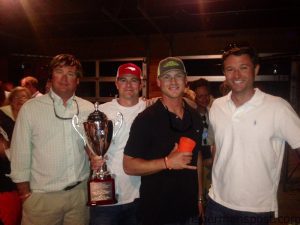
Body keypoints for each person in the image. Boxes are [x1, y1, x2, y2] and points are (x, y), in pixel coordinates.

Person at [205, 45, 300, 225]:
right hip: (217, 201)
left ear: (255, 69)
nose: (237, 75)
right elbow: (217, 145)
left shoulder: (277, 107)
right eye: (230, 69)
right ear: (224, 72)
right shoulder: (217, 106)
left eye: (243, 67)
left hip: (255, 208)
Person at [10, 54, 94, 225]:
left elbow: (91, 147)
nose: (64, 78)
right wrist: (25, 194)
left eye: (71, 73)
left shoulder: (88, 108)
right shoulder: (31, 109)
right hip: (42, 198)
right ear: (51, 76)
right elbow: (20, 153)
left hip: (79, 196)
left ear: (77, 80)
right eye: (59, 71)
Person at [123, 57, 205, 225]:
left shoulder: (195, 117)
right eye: (167, 77)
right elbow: (129, 165)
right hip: (157, 214)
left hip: (190, 211)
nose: (173, 81)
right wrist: (167, 162)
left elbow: (197, 159)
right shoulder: (146, 119)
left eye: (178, 75)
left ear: (186, 80)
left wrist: (199, 199)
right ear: (158, 82)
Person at [89, 63, 146, 225]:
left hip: (140, 195)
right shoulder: (102, 112)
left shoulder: (150, 110)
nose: (128, 85)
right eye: (123, 80)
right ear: (116, 83)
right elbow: (88, 143)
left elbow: (188, 103)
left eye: (134, 80)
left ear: (141, 84)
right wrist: (92, 155)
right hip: (105, 195)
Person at [0, 86, 31, 225]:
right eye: (16, 97)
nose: (20, 100)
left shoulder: (32, 118)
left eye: (24, 97)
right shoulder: (3, 117)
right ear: (10, 101)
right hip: (6, 184)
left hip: (28, 181)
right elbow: (3, 148)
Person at [192, 78, 214, 202]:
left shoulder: (214, 113)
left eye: (206, 96)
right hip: (197, 160)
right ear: (194, 97)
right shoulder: (190, 116)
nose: (204, 99)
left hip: (211, 159)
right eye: (200, 96)